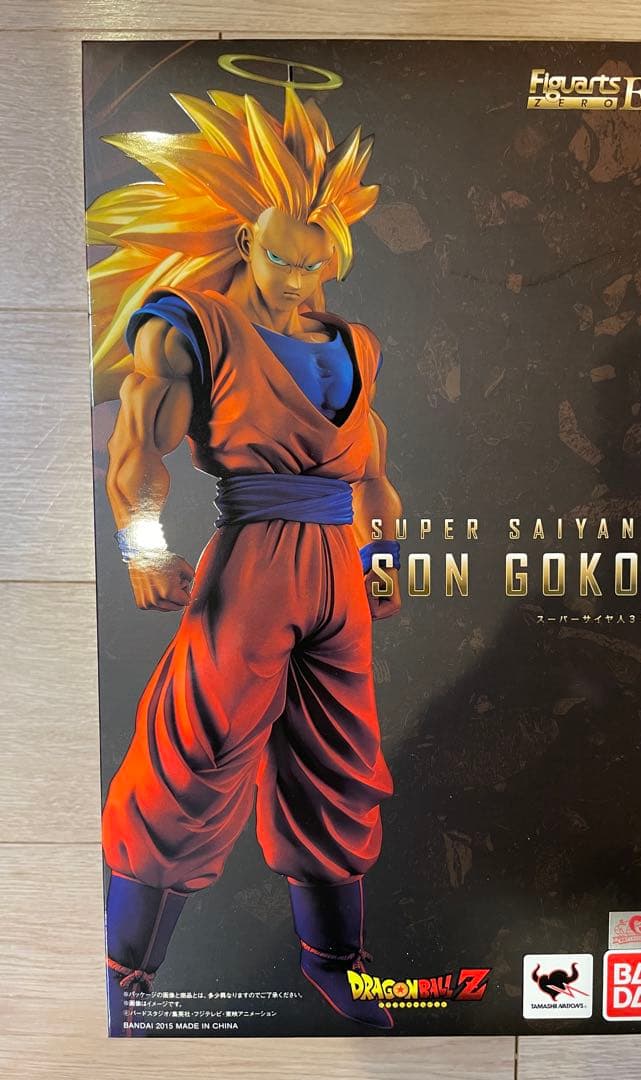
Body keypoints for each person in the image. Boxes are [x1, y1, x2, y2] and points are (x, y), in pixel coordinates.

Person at [87, 82, 403, 1034]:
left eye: (314, 262)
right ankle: (123, 970)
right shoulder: (192, 325)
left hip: (339, 569)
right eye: (280, 257)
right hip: (254, 563)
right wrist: (144, 547)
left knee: (339, 765)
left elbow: (375, 474)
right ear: (245, 241)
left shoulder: (355, 345)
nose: (297, 280)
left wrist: (385, 559)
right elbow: (136, 445)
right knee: (193, 757)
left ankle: (338, 964)